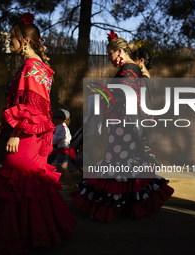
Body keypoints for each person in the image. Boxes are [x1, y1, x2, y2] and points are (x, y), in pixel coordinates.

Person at [0, 13, 77, 255]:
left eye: (13, 38)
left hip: (27, 135)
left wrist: (16, 133)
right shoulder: (40, 66)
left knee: (14, 182)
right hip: (38, 134)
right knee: (29, 185)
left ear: (26, 41)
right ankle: (33, 232)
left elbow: (30, 106)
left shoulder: (31, 67)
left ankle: (13, 234)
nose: (9, 41)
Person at [70, 30, 174, 222]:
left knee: (115, 164)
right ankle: (132, 207)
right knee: (126, 165)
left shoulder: (128, 70)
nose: (109, 58)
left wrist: (103, 100)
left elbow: (126, 100)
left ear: (119, 51)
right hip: (127, 126)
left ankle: (109, 209)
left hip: (123, 126)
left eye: (110, 54)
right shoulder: (135, 70)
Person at [52, 109, 75, 190]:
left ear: (64, 119)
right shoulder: (64, 127)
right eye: (55, 118)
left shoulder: (61, 128)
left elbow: (54, 140)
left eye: (58, 118)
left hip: (62, 151)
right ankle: (54, 183)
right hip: (62, 150)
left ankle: (69, 184)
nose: (55, 120)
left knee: (62, 169)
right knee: (56, 167)